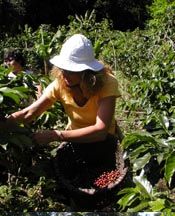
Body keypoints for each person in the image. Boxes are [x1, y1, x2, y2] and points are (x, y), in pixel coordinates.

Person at [7, 34, 123, 189]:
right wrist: (5, 123)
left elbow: (100, 131)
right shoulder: (60, 84)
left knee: (108, 182)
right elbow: (29, 113)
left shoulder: (107, 83)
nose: (64, 74)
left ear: (87, 72)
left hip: (105, 144)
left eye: (71, 70)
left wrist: (56, 135)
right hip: (75, 140)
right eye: (63, 69)